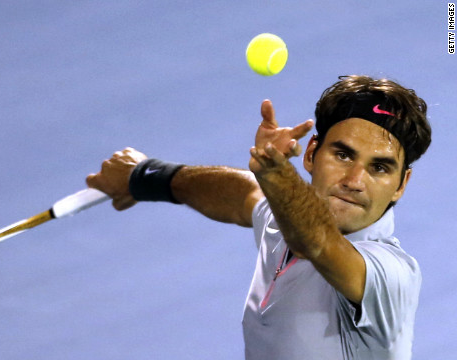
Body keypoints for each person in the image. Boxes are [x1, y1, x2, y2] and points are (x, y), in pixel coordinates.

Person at [85, 75, 432, 359]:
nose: (355, 181)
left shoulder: (391, 274)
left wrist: (275, 174)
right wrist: (147, 176)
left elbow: (317, 241)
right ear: (311, 154)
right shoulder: (288, 213)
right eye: (343, 155)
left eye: (380, 168)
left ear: (401, 184)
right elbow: (242, 194)